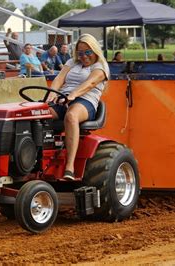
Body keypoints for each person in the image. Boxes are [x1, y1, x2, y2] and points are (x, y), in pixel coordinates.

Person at [47, 34, 110, 180]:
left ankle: (70, 166)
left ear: (94, 50)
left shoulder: (100, 66)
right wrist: (51, 94)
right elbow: (59, 78)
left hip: (85, 101)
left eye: (88, 52)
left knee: (71, 115)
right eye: (80, 53)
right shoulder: (71, 62)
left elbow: (90, 83)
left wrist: (73, 94)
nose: (84, 56)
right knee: (38, 114)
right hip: (63, 98)